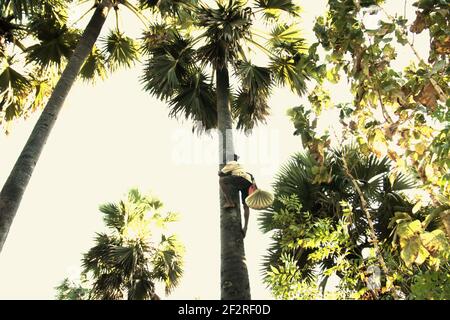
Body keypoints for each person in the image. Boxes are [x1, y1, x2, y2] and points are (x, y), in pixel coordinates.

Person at [218, 154, 255, 238]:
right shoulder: (240, 166)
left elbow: (221, 173)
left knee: (222, 181)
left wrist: (221, 172)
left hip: (240, 179)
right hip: (247, 182)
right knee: (246, 206)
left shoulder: (232, 163)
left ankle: (230, 202)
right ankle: (245, 227)